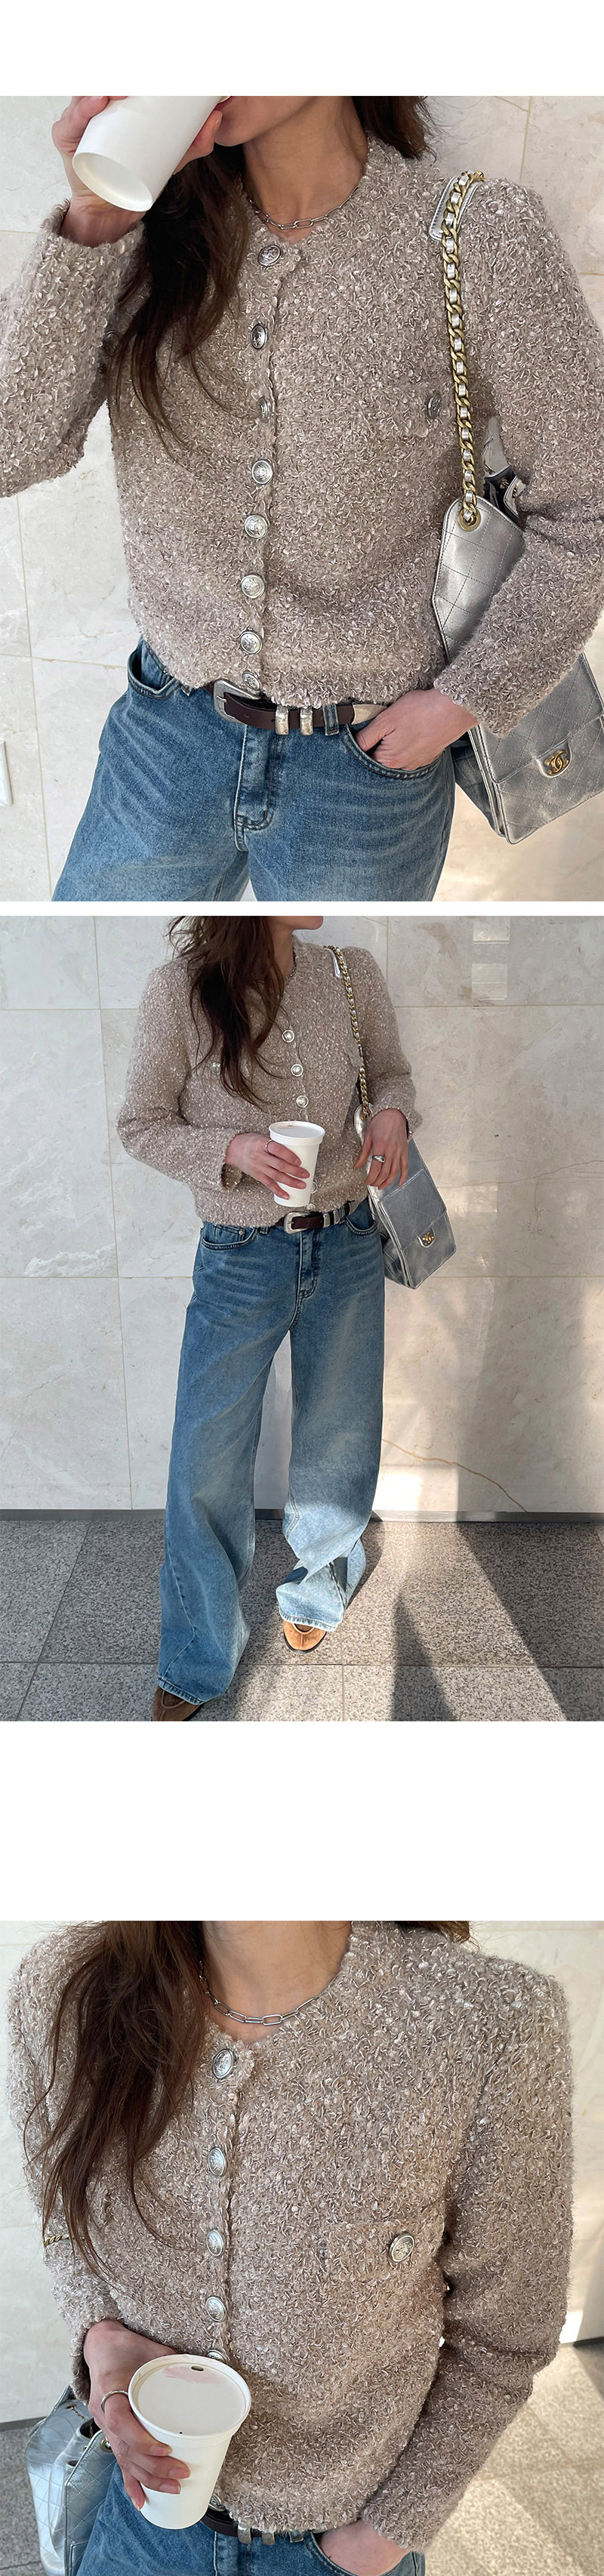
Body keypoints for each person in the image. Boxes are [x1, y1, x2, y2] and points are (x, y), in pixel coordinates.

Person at [2, 95, 602, 904]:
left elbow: (587, 508)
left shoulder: (478, 236)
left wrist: (466, 699)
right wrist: (93, 221)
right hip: (165, 737)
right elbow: (13, 450)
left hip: (366, 772)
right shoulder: (143, 236)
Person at [6, 1917, 572, 2576]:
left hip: (344, 2541)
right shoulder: (66, 1992)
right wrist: (100, 2335)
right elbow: (65, 2219)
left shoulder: (487, 2027)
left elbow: (504, 2337)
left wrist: (384, 2532)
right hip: (145, 2505)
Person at [117, 914, 414, 1719]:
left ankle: (317, 1589)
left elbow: (390, 1075)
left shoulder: (350, 973)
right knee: (206, 1456)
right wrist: (233, 1150)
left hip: (347, 1241)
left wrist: (392, 1113)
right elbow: (140, 1123)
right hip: (239, 1255)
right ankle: (196, 1655)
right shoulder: (179, 991)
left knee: (339, 1433)